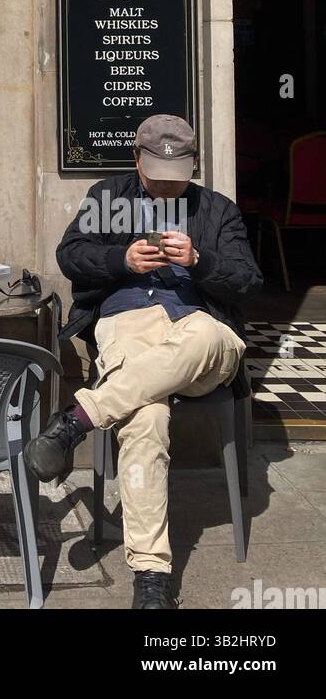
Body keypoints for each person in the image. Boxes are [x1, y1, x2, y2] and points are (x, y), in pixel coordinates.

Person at [24, 115, 263, 610]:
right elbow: (70, 255)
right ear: (136, 160)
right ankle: (152, 577)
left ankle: (77, 420)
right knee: (145, 416)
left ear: (193, 167)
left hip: (200, 332)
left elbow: (248, 282)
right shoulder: (106, 195)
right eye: (156, 176)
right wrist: (122, 262)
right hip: (126, 321)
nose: (166, 187)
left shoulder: (219, 211)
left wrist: (201, 262)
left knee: (201, 332)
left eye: (177, 178)